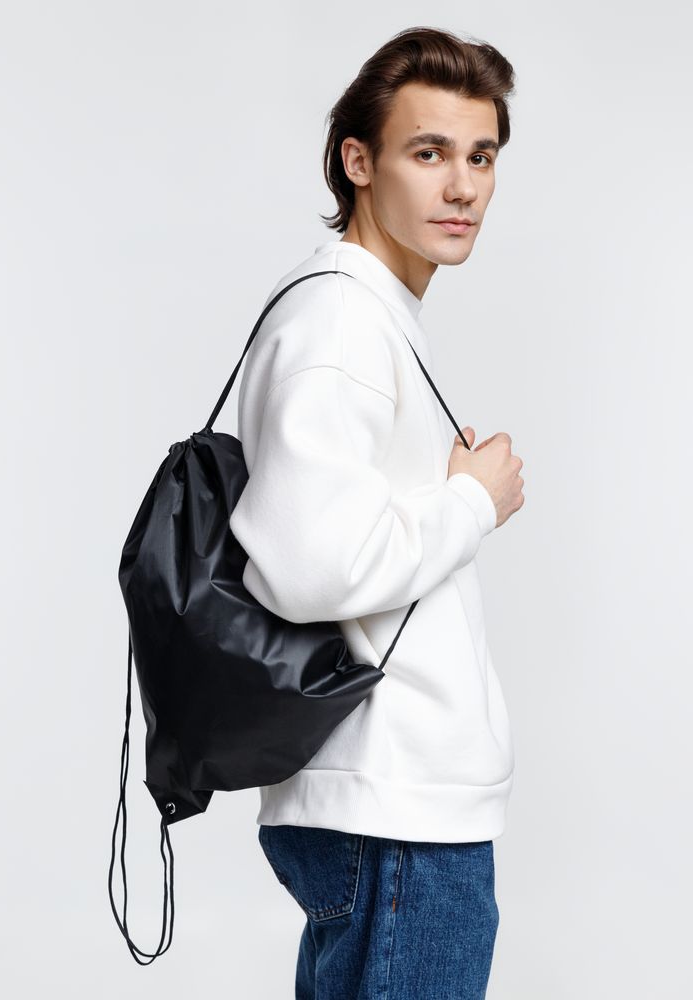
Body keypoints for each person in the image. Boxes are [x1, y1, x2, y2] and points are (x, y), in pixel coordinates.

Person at [229, 24, 525, 1000]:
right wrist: (472, 502)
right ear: (359, 162)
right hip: (394, 811)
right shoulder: (342, 322)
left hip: (396, 804)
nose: (463, 187)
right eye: (429, 153)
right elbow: (310, 565)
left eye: (481, 156)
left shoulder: (375, 316)